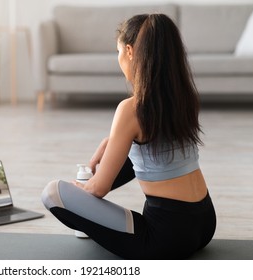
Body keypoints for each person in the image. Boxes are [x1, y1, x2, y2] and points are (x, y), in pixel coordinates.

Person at [41, 13, 216, 259]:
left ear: (130, 51)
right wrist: (113, 143)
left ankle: (92, 221)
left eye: (118, 51)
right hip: (205, 223)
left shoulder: (131, 109)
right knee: (131, 152)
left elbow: (98, 189)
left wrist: (83, 190)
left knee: (52, 193)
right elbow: (151, 151)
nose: (119, 59)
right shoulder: (185, 100)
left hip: (166, 238)